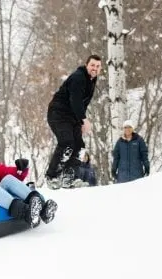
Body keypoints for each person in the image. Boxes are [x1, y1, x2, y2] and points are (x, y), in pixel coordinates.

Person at [44, 54, 102, 189]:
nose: (95, 68)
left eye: (98, 66)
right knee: (67, 143)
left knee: (80, 146)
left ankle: (68, 177)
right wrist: (84, 119)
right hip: (58, 113)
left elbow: (83, 103)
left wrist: (80, 121)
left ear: (100, 68)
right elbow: (75, 100)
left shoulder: (92, 79)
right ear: (87, 65)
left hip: (72, 116)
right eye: (92, 65)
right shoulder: (79, 77)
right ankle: (51, 176)